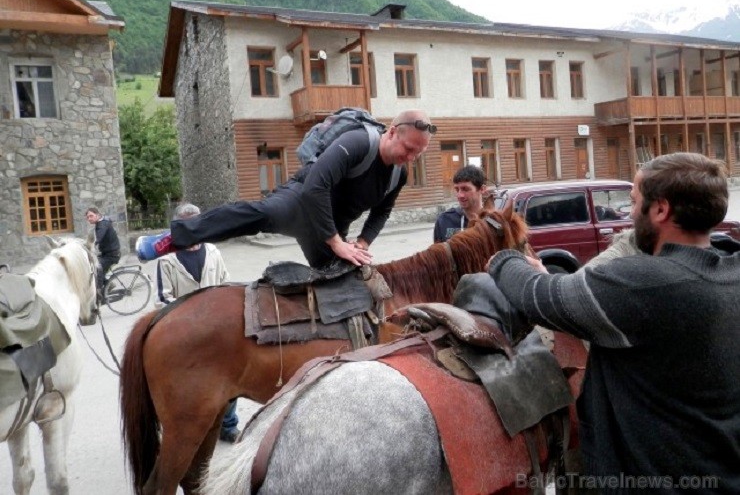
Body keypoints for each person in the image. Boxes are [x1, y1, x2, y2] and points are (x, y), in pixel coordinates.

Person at [483, 152, 739, 493]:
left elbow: (538, 297)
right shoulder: (730, 272)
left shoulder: (645, 283)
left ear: (660, 209)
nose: (629, 214)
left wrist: (503, 258)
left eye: (633, 202)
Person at [136, 109, 434, 268]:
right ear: (392, 132)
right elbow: (315, 188)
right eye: (408, 149)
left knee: (343, 279)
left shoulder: (399, 174)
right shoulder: (357, 142)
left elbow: (382, 211)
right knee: (259, 213)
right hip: (300, 201)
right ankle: (174, 238)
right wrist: (336, 242)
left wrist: (363, 243)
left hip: (330, 228)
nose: (409, 158)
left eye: (416, 155)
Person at [154, 203, 238, 442]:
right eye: (187, 224)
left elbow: (225, 282)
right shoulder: (167, 260)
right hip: (185, 331)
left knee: (228, 378)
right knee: (186, 383)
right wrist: (189, 318)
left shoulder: (213, 251)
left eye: (196, 223)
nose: (193, 228)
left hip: (217, 328)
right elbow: (163, 297)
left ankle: (227, 426)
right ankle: (184, 427)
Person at [433, 165, 488, 242]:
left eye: (465, 189)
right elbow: (437, 252)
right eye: (457, 189)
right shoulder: (444, 220)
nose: (460, 195)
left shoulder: (493, 221)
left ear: (482, 189)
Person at [85, 207, 121, 301]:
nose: (89, 219)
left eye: (91, 216)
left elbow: (98, 238)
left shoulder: (103, 224)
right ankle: (109, 283)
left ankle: (99, 292)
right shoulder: (101, 222)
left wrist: (89, 245)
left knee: (98, 267)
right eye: (88, 217)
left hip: (112, 255)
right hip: (107, 253)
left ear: (97, 215)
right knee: (93, 265)